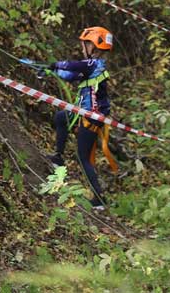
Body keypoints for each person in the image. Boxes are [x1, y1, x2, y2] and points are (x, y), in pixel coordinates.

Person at [44, 26, 118, 210]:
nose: (82, 48)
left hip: (92, 118)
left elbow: (73, 66)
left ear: (94, 47)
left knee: (83, 157)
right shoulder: (91, 66)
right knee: (61, 117)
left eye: (85, 44)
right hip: (84, 113)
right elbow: (71, 75)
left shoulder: (95, 64)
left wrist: (55, 64)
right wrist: (52, 71)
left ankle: (99, 198)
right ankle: (58, 157)